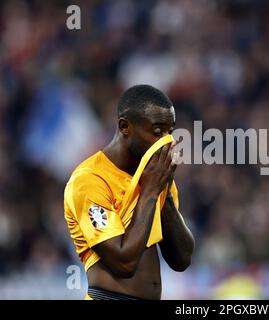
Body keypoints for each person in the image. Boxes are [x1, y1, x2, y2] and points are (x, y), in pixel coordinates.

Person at [64, 84, 195, 300]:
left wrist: (165, 192)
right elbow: (123, 263)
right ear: (125, 127)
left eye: (169, 132)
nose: (166, 142)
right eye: (157, 132)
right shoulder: (89, 180)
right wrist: (151, 191)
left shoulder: (154, 174)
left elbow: (181, 260)